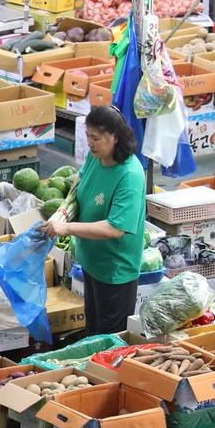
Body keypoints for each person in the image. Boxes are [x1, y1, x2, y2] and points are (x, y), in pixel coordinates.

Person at [42, 106, 146, 336]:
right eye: (88, 136)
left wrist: (66, 227)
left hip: (115, 271)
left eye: (95, 138)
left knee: (108, 337)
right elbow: (81, 178)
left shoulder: (130, 175)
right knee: (93, 329)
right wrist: (64, 209)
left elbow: (115, 228)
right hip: (92, 263)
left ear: (115, 137)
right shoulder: (96, 156)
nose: (90, 143)